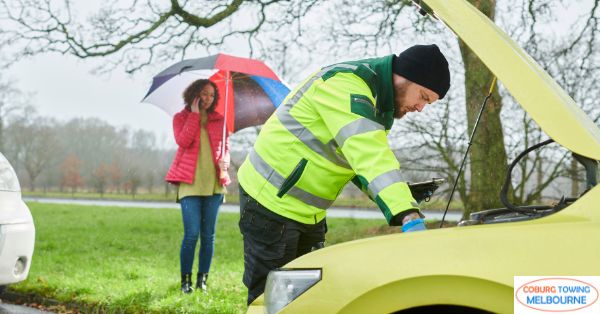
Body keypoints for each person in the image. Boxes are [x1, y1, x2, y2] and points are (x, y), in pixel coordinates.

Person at [236, 44, 451, 304]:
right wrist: (408, 213)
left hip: (307, 211)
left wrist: (400, 194)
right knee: (271, 302)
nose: (420, 107)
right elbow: (369, 154)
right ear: (405, 76)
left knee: (306, 299)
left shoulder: (378, 102)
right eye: (423, 97)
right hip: (270, 201)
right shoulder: (347, 86)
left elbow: (358, 163)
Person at [165, 79, 231, 294]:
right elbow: (183, 141)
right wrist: (194, 115)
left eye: (211, 95)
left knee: (208, 236)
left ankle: (202, 280)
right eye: (204, 93)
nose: (208, 98)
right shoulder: (181, 118)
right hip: (189, 186)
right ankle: (186, 281)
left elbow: (225, 149)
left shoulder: (220, 121)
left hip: (214, 186)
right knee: (191, 234)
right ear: (194, 94)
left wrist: (225, 161)